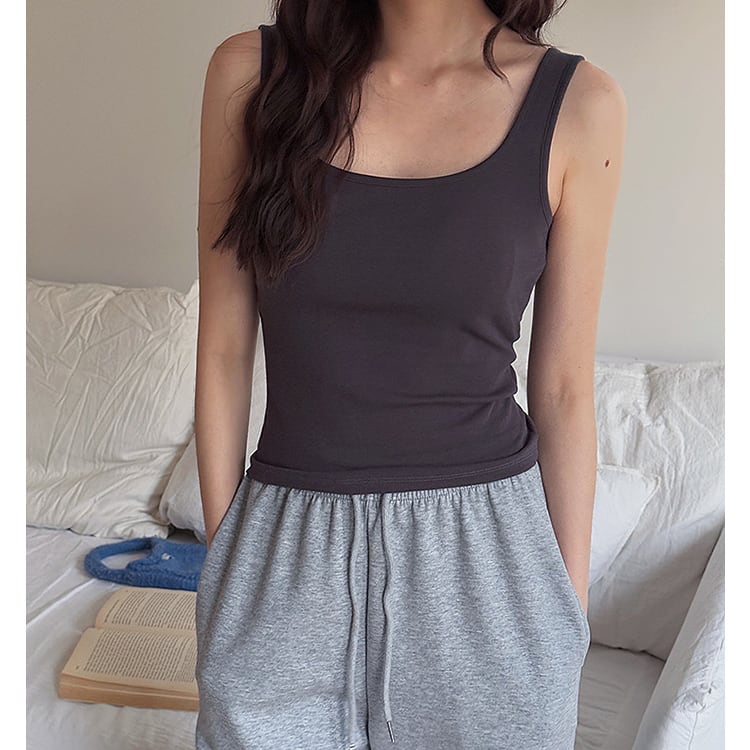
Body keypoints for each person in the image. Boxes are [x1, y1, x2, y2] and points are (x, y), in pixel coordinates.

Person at [193, 2, 626, 748]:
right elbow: (224, 348)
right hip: (285, 544)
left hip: (492, 562)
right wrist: (226, 557)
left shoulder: (581, 104)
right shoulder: (252, 75)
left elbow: (563, 389)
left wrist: (565, 612)